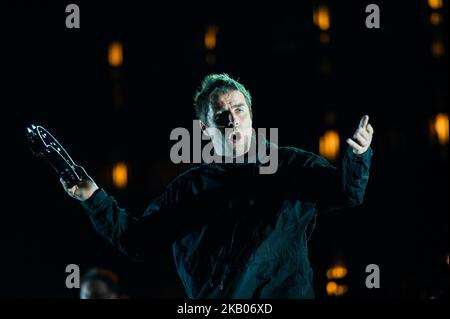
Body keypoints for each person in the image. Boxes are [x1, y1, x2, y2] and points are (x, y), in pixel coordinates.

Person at [61, 73, 374, 298]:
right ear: (206, 129)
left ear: (251, 116)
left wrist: (358, 154)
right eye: (221, 115)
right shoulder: (190, 188)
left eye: (239, 110)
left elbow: (346, 192)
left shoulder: (291, 166)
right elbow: (140, 240)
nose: (232, 119)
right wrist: (94, 198)